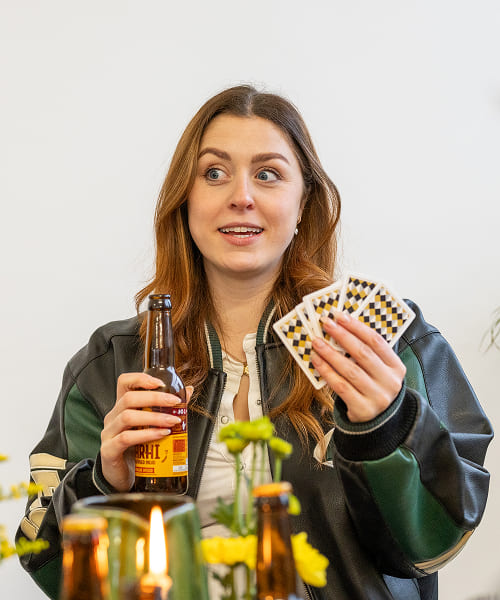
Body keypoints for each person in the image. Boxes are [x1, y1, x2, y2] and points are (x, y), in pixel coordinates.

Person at [17, 85, 492, 600]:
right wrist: (106, 486)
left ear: (303, 199)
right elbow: (43, 560)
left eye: (268, 174)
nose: (240, 195)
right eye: (214, 173)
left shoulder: (385, 347)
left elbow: (435, 545)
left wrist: (386, 427)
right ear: (185, 198)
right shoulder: (111, 367)